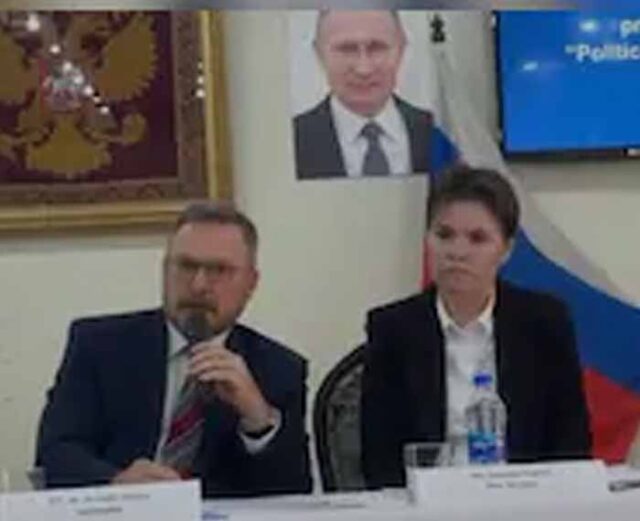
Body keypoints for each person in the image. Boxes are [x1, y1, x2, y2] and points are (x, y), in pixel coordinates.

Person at [36, 202, 312, 497]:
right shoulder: (99, 345)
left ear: (251, 284)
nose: (199, 285)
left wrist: (258, 419)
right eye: (186, 266)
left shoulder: (279, 369)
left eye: (220, 270)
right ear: (165, 270)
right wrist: (115, 482)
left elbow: (295, 493)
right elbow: (55, 454)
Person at [360, 166, 592, 488]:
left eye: (477, 238)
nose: (457, 252)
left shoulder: (543, 322)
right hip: (429, 503)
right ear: (427, 239)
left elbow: (571, 443)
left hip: (524, 499)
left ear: (506, 250)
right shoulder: (393, 329)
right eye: (444, 235)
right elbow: (379, 457)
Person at [294, 10, 456, 180]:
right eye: (346, 49)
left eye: (378, 48)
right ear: (319, 54)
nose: (363, 69)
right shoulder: (293, 140)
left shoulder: (437, 132)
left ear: (401, 50)